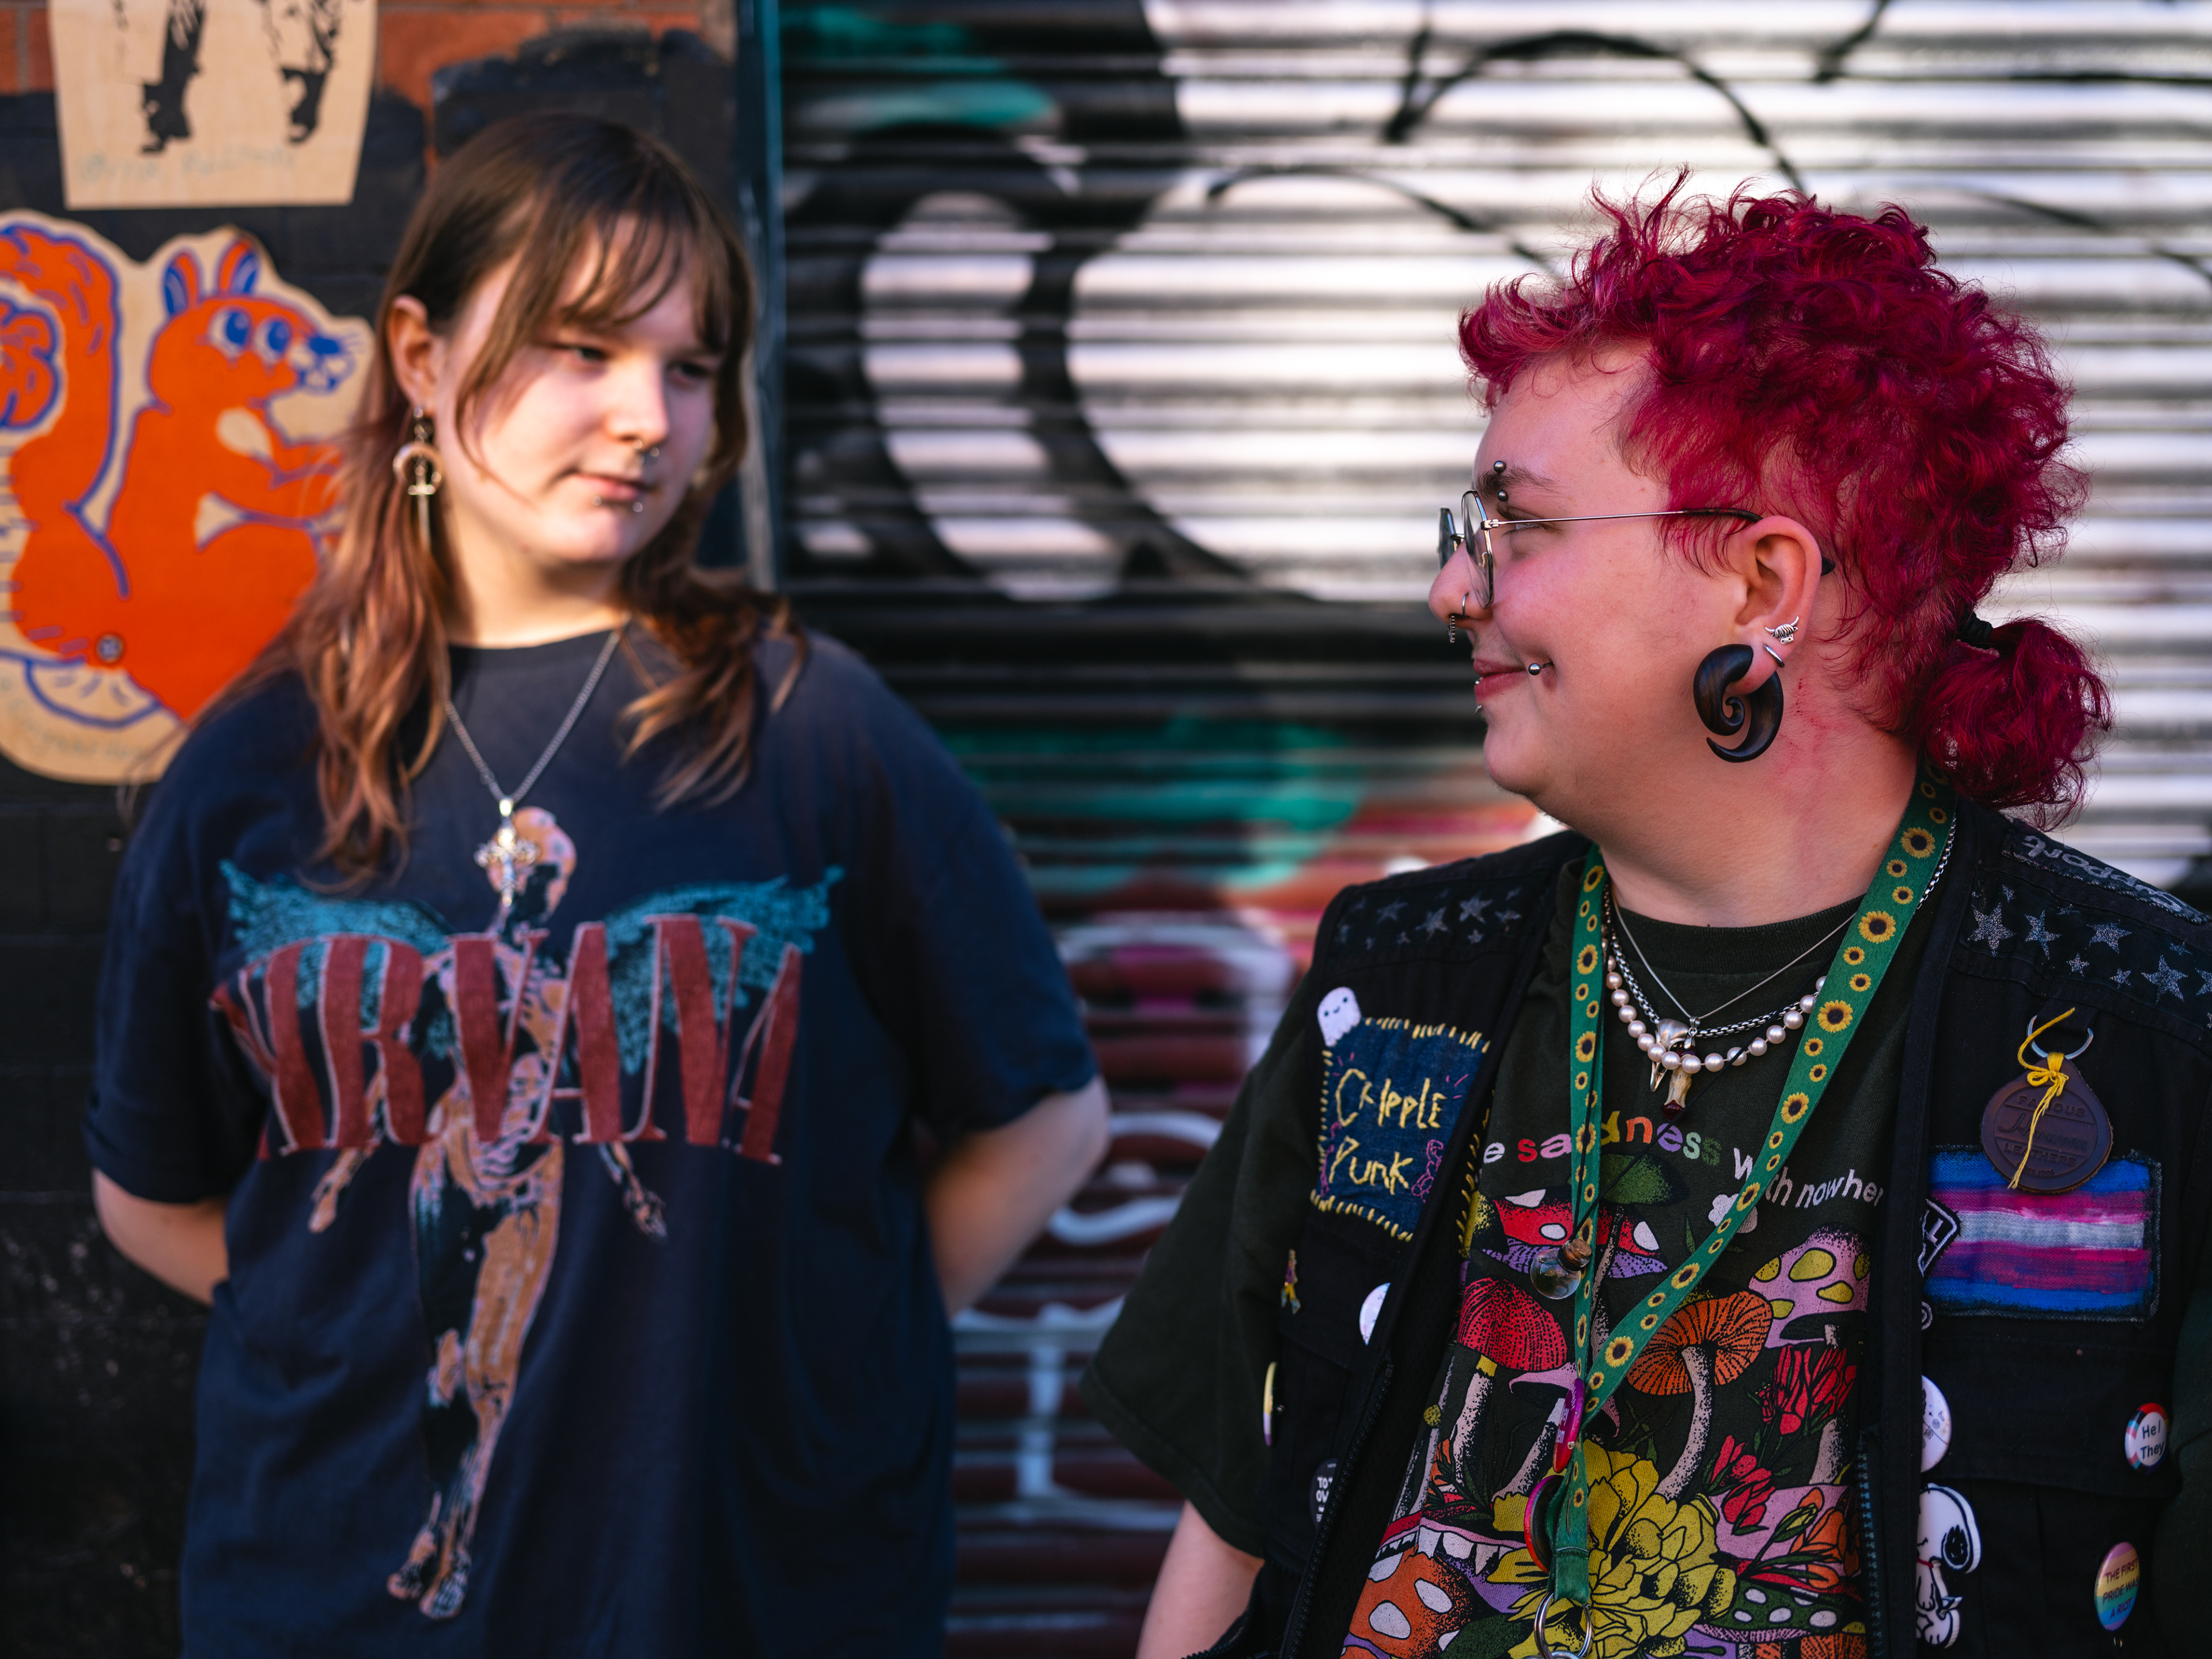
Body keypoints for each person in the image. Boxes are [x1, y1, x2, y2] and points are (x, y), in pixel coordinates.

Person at [1084, 184, 2212, 1659]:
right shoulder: (1396, 986)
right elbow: (1239, 1526)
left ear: (1761, 583)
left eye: (1518, 525)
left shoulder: (2151, 1042)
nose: (1450, 589)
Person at [85, 113, 1107, 1656]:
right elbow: (149, 1193)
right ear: (420, 356)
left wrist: (816, 1356)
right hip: (332, 1602)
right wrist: (361, 1307)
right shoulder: (257, 766)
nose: (648, 418)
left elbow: (1045, 1120)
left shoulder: (805, 733)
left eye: (691, 369)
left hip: (735, 1600)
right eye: (583, 349)